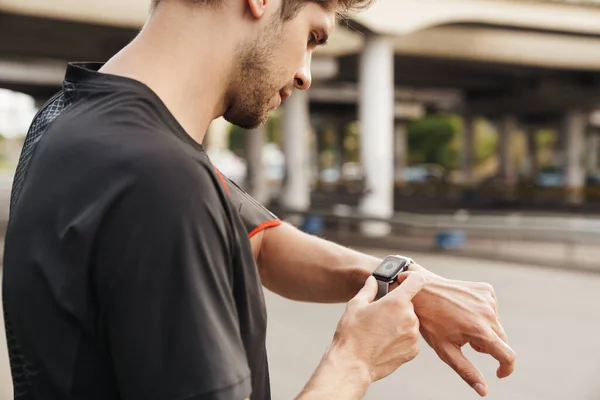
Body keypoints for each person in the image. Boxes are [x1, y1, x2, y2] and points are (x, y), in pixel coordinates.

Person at [1, 0, 516, 399]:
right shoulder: (160, 180)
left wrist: (406, 281)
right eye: (313, 35)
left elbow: (259, 242)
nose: (306, 73)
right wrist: (355, 360)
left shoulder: (70, 121)